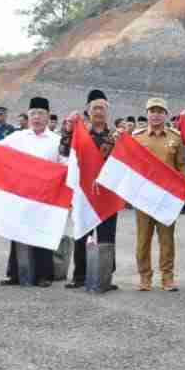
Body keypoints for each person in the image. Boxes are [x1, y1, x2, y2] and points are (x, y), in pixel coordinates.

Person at [59, 90, 121, 289]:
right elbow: (64, 151)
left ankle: (105, 278)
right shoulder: (80, 133)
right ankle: (79, 276)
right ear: (88, 110)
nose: (99, 111)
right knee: (82, 233)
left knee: (107, 237)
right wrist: (68, 130)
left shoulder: (115, 136)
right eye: (95, 107)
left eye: (102, 108)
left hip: (107, 193)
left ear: (107, 111)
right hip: (84, 193)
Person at [0, 97, 63, 287]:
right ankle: (15, 274)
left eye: (41, 114)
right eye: (33, 113)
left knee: (42, 234)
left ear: (48, 116)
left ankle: (44, 275)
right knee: (17, 233)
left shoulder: (56, 140)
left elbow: (65, 165)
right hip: (21, 194)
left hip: (45, 196)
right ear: (28, 116)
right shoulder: (17, 137)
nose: (36, 117)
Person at [133, 97, 185, 292]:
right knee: (143, 240)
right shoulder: (136, 137)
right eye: (152, 111)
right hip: (144, 197)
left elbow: (181, 165)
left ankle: (167, 278)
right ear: (147, 114)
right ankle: (145, 278)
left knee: (167, 240)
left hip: (166, 197)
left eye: (159, 111)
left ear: (166, 114)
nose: (155, 115)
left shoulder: (175, 137)